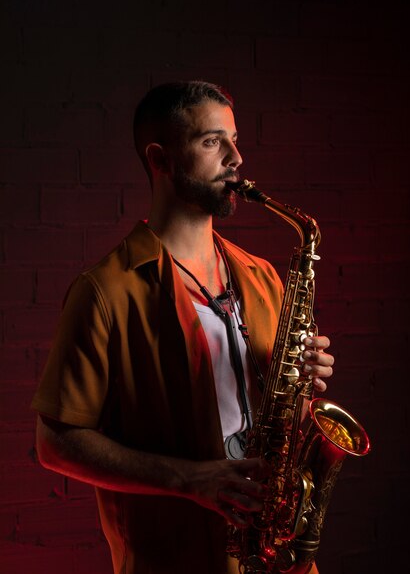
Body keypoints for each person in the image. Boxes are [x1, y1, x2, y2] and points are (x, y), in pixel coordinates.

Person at [31, 81, 334, 574]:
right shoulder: (105, 291)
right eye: (212, 142)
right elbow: (54, 443)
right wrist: (191, 480)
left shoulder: (262, 277)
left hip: (273, 550)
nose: (236, 158)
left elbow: (281, 418)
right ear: (161, 158)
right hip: (178, 558)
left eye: (235, 140)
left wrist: (300, 381)